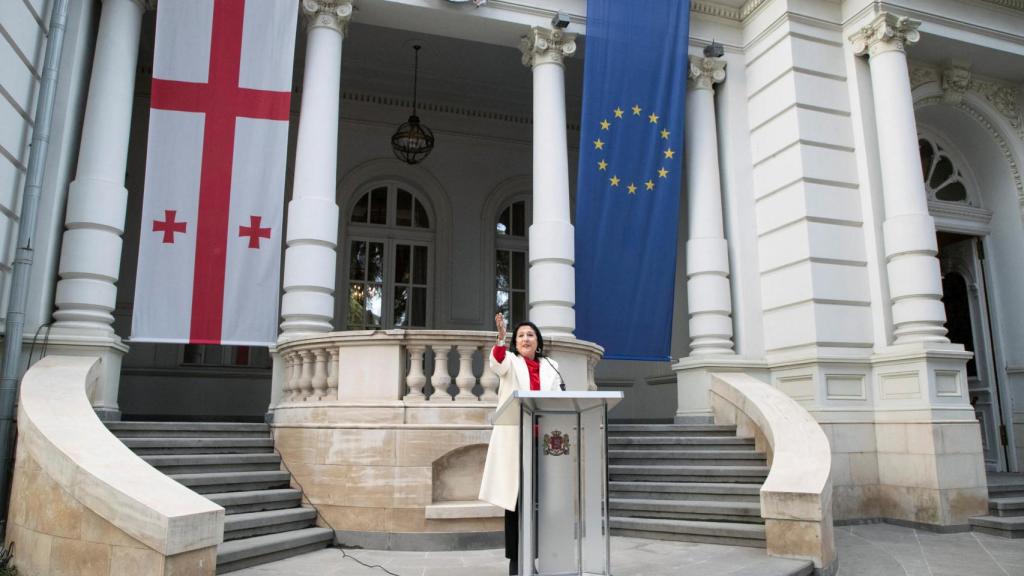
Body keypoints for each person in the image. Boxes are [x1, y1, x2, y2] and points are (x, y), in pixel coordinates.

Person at [478, 312, 563, 575]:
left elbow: (560, 395)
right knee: (516, 502)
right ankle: (517, 563)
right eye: (521, 336)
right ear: (516, 343)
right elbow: (497, 362)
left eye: (531, 335)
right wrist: (501, 338)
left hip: (545, 442)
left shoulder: (552, 365)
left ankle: (535, 560)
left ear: (538, 341)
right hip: (516, 440)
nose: (526, 339)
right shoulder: (510, 361)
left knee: (540, 501)